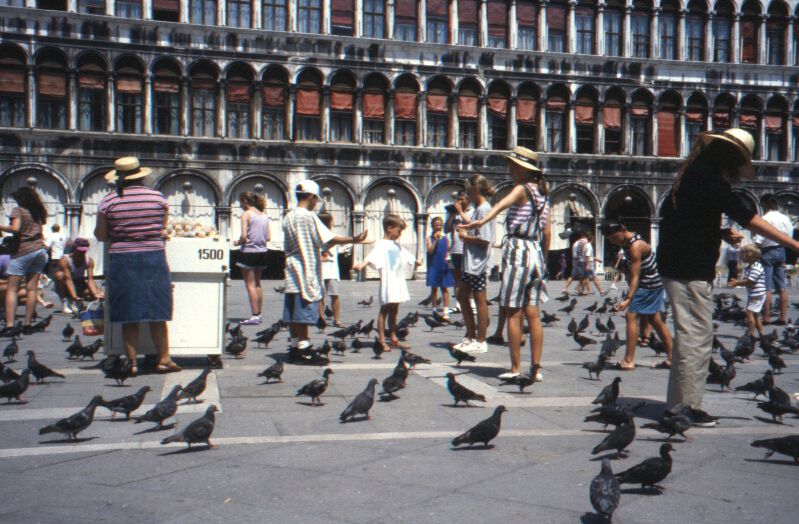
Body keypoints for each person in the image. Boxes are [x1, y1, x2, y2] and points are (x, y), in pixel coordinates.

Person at [657, 129, 799, 425]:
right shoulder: (710, 178)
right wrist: (793, 244)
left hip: (678, 264)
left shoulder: (691, 174)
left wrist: (718, 232)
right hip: (689, 268)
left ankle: (678, 405)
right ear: (730, 157)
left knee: (691, 337)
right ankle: (684, 409)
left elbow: (675, 217)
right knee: (696, 337)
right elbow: (748, 217)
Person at [460, 147, 550, 380]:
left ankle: (515, 369)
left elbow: (500, 206)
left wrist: (473, 225)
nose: (509, 170)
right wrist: (544, 259)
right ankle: (536, 369)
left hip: (518, 250)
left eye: (512, 166)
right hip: (535, 251)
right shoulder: (542, 194)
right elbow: (547, 232)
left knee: (512, 311)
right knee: (534, 314)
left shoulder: (521, 188)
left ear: (523, 169)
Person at [94, 157, 179, 375]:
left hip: (123, 258)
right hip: (154, 256)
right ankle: (164, 359)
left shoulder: (108, 201)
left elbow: (102, 236)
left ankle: (130, 362)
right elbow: (163, 228)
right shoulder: (158, 198)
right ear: (141, 175)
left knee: (128, 311)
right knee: (157, 309)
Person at [282, 180, 369, 355]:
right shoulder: (307, 216)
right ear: (312, 196)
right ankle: (304, 349)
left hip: (291, 269)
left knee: (292, 312)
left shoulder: (289, 215)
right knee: (303, 311)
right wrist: (354, 239)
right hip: (304, 268)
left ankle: (294, 345)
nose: (316, 203)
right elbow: (328, 238)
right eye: (316, 199)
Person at [603, 218, 672, 370]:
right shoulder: (626, 243)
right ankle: (673, 357)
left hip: (649, 284)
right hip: (650, 284)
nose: (613, 241)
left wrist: (628, 299)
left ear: (623, 229)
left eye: (614, 237)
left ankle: (628, 360)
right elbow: (630, 275)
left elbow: (635, 276)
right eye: (610, 239)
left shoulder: (635, 246)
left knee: (631, 316)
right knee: (654, 320)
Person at [352, 215, 422, 350]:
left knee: (395, 309)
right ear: (389, 228)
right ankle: (382, 340)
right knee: (384, 309)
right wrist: (361, 265)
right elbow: (372, 256)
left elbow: (405, 254)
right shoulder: (382, 244)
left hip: (398, 279)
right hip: (389, 279)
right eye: (398, 231)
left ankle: (393, 338)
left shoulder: (395, 245)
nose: (400, 234)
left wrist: (415, 261)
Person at [453, 174, 496, 354]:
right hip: (471, 262)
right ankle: (471, 336)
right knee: (462, 296)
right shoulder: (481, 208)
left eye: (468, 189)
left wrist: (465, 237)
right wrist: (465, 227)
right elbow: (477, 228)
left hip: (477, 263)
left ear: (475, 189)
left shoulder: (484, 209)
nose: (467, 193)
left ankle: (480, 339)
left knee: (479, 300)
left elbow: (485, 239)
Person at [0, 187, 49, 335]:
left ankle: (9, 325)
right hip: (40, 251)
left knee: (12, 289)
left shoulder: (18, 210)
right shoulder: (38, 213)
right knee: (32, 288)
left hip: (24, 251)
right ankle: (27, 324)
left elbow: (15, 229)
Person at [754, 194, 793, 325]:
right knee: (782, 285)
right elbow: (789, 236)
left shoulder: (764, 218)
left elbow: (758, 240)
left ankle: (766, 317)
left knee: (767, 286)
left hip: (767, 251)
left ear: (764, 204)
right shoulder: (785, 218)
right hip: (781, 250)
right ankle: (782, 317)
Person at [233, 191, 271, 325]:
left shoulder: (246, 214)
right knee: (257, 283)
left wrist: (236, 243)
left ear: (245, 201)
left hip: (248, 251)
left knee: (250, 285)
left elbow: (243, 236)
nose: (240, 205)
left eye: (240, 202)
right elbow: (268, 237)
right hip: (262, 252)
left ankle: (254, 316)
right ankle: (259, 313)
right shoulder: (264, 215)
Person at [53, 237, 104, 313]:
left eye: (84, 251)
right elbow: (68, 280)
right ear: (74, 248)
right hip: (65, 284)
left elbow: (90, 279)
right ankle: (65, 303)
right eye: (80, 251)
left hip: (79, 283)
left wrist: (96, 294)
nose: (82, 253)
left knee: (98, 293)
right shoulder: (65, 260)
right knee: (59, 275)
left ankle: (78, 301)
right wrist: (74, 296)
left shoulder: (89, 261)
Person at [728, 244, 766, 339]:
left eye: (742, 255)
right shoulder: (749, 268)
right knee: (755, 315)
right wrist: (736, 282)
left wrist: (736, 283)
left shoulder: (756, 267)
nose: (741, 257)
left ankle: (751, 334)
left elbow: (749, 281)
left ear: (749, 256)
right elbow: (746, 281)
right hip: (753, 294)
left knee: (749, 313)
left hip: (757, 294)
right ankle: (762, 334)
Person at [317, 211, 343, 328]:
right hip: (320, 270)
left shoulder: (334, 237)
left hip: (332, 271)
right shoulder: (316, 237)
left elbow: (346, 242)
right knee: (322, 296)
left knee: (334, 295)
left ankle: (335, 319)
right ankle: (322, 319)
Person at [424, 216, 454, 318]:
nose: (438, 227)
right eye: (436, 225)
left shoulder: (446, 238)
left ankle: (446, 310)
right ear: (432, 226)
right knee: (434, 288)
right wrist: (436, 240)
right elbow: (430, 251)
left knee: (444, 288)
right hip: (434, 265)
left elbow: (448, 251)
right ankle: (434, 308)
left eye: (440, 225)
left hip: (443, 265)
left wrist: (449, 261)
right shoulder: (429, 238)